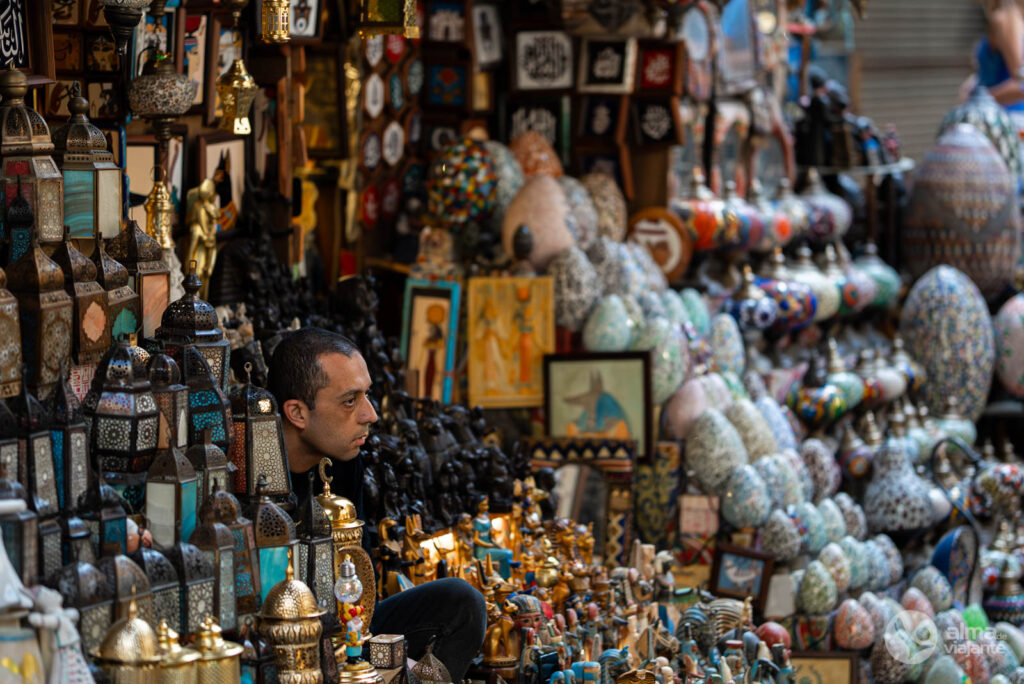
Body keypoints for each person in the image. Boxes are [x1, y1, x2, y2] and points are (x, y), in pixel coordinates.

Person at [267, 327, 487, 681]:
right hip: (284, 640)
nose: (370, 414)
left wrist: (367, 651)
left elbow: (358, 579)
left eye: (366, 395)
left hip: (348, 627)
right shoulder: (252, 470)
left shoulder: (344, 459)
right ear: (297, 412)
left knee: (463, 603)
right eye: (350, 400)